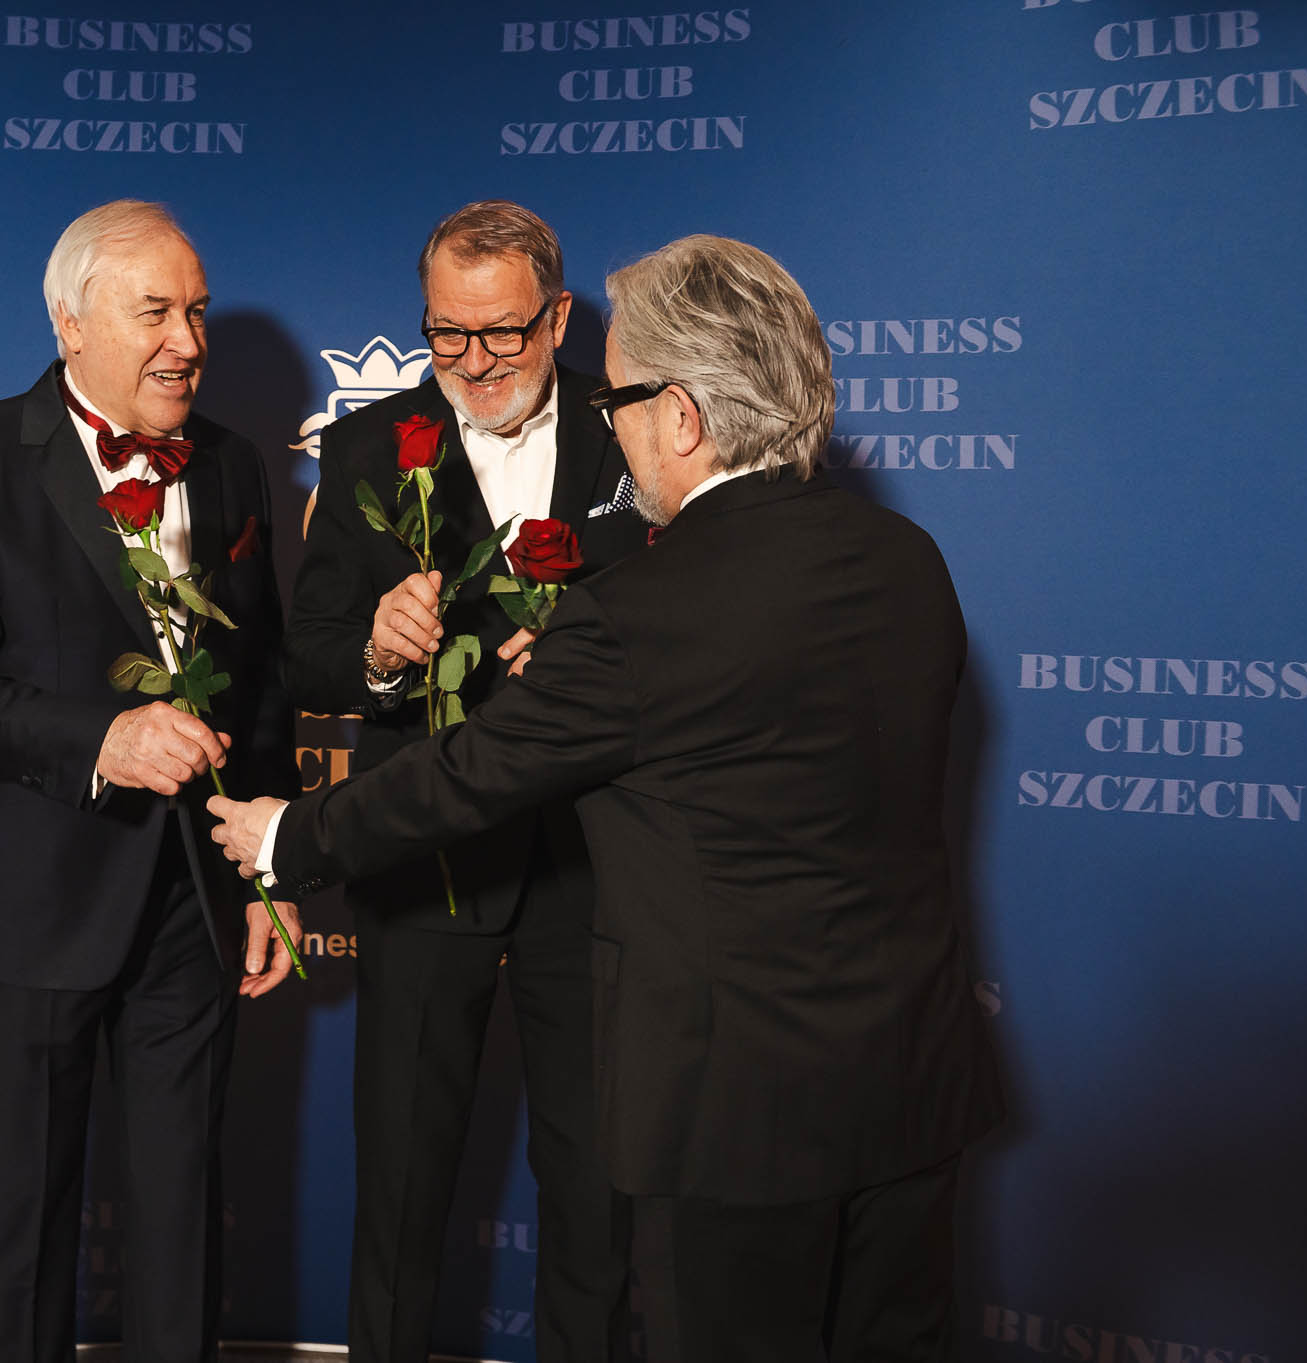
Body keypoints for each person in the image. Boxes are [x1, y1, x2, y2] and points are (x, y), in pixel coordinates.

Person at [214, 234, 1004, 1363]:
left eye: (623, 398)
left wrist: (290, 834)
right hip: (909, 1076)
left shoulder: (643, 611)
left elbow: (477, 771)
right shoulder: (907, 557)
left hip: (731, 1108)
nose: (614, 426)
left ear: (680, 415)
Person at [0, 199, 301, 1363]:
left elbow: (261, 682)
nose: (187, 341)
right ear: (71, 324)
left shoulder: (231, 464)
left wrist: (265, 873)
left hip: (191, 899)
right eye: (154, 312)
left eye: (197, 311)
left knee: (183, 1204)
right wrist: (100, 741)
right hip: (31, 897)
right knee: (23, 1213)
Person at [286, 200, 645, 1363]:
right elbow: (308, 650)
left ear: (558, 317)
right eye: (447, 333)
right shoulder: (365, 446)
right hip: (423, 856)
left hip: (593, 858)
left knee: (594, 1182)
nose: (474, 361)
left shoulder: (635, 428)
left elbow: (687, 610)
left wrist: (591, 649)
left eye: (502, 332)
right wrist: (378, 651)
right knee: (399, 1175)